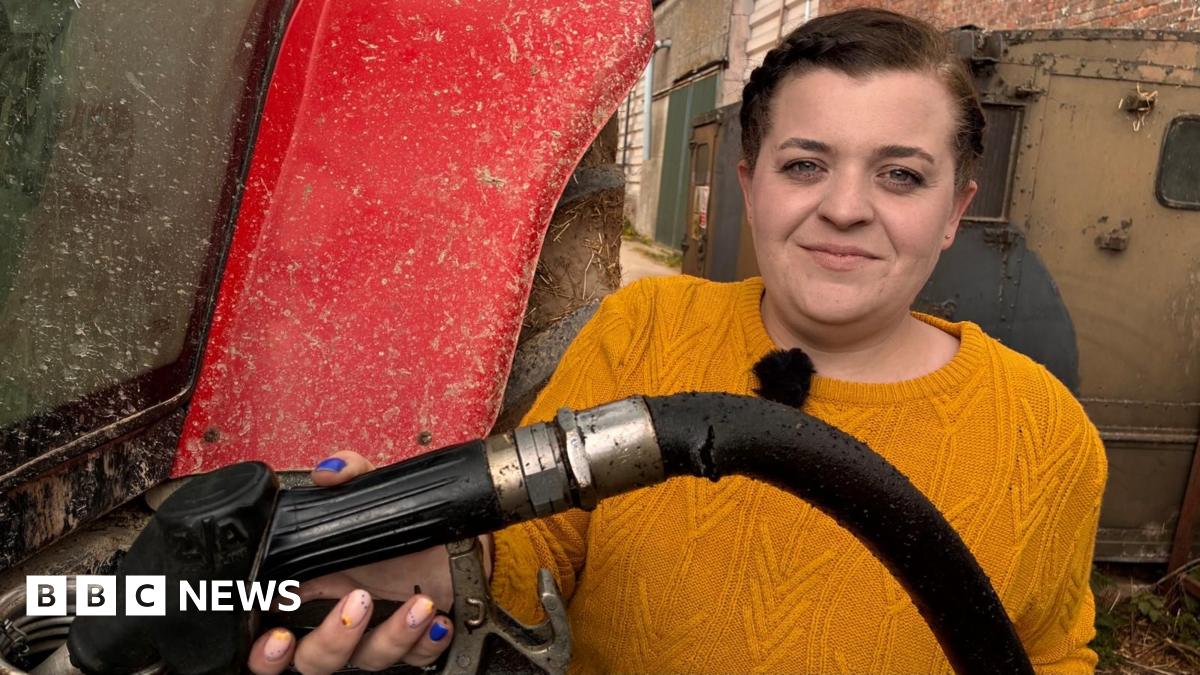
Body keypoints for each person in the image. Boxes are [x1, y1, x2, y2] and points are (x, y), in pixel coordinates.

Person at [248, 8, 1107, 674]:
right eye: (805, 163)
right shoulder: (644, 331)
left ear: (957, 207)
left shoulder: (1044, 430)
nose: (845, 206)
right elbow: (520, 559)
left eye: (902, 175)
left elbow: (1048, 651)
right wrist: (380, 550)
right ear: (750, 182)